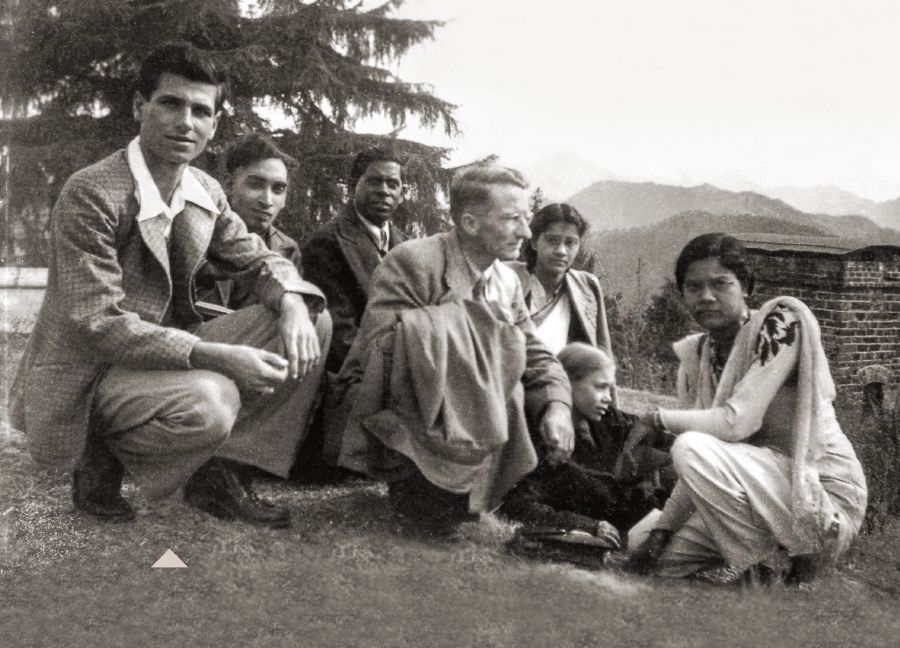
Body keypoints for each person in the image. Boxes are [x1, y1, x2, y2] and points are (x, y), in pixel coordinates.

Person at [8, 42, 332, 529]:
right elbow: (99, 323)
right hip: (91, 369)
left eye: (201, 111)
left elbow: (259, 259)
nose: (186, 122)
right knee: (210, 403)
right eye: (171, 103)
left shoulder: (205, 190)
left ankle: (218, 475)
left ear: (215, 124)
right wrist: (218, 356)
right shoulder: (92, 192)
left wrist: (289, 300)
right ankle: (97, 453)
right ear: (140, 107)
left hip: (162, 355)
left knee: (314, 320)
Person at [325, 163, 574, 535]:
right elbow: (381, 351)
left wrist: (558, 405)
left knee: (520, 368)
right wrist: (481, 336)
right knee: (498, 353)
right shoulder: (415, 261)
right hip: (405, 409)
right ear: (470, 223)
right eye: (512, 219)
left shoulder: (505, 280)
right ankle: (430, 491)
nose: (525, 231)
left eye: (526, 219)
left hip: (469, 412)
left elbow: (535, 352)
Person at [624, 233, 867, 583]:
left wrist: (655, 418)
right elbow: (703, 468)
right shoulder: (697, 357)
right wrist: (661, 533)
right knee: (644, 548)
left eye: (721, 283)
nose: (706, 297)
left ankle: (769, 563)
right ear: (682, 295)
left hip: (818, 498)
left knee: (689, 444)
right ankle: (756, 557)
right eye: (694, 287)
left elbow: (736, 424)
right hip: (754, 494)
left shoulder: (781, 324)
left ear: (746, 287)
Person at [500, 343, 672, 545]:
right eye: (600, 387)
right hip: (621, 522)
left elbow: (651, 433)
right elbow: (518, 506)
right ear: (566, 383)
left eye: (610, 388)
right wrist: (588, 526)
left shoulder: (606, 419)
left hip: (644, 512)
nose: (608, 398)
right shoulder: (542, 438)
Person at [301, 146, 408, 374]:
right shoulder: (327, 243)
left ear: (402, 193)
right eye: (374, 181)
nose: (384, 191)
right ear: (353, 186)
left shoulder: (408, 248)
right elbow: (340, 336)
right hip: (352, 378)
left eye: (392, 184)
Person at [195, 133, 302, 310]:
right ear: (229, 185)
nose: (267, 200)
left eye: (278, 189)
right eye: (256, 185)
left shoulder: (288, 250)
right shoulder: (197, 229)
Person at [509, 203, 613, 357]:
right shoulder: (508, 277)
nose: (561, 251)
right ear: (534, 242)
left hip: (569, 379)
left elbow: (603, 355)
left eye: (570, 242)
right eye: (552, 240)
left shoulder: (587, 286)